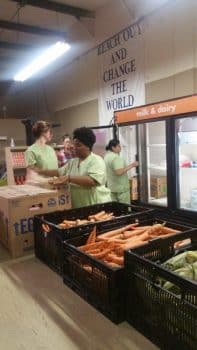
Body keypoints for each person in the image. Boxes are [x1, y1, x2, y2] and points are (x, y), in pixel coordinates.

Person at [37, 127, 111, 208]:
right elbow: (58, 172)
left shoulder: (96, 160)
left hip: (97, 205)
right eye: (74, 144)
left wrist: (69, 178)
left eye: (78, 145)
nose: (74, 147)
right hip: (79, 206)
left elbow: (92, 181)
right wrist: (39, 171)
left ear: (88, 147)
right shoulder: (73, 162)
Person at [104, 139, 138, 204]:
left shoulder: (107, 156)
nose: (120, 148)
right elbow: (118, 172)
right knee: (124, 209)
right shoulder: (116, 158)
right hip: (121, 188)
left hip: (112, 187)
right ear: (113, 147)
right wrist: (132, 165)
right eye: (118, 146)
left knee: (115, 208)